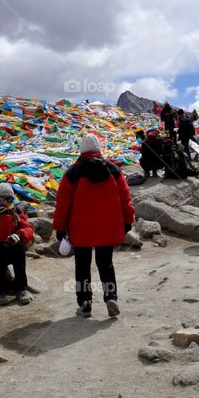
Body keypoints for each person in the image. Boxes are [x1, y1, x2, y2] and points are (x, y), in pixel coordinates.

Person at [53, 134, 135, 318]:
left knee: (82, 266)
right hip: (108, 227)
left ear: (82, 150)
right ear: (98, 150)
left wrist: (59, 227)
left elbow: (63, 204)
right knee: (105, 264)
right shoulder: (114, 170)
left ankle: (85, 303)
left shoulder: (72, 173)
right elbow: (125, 198)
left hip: (80, 229)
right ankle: (110, 296)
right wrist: (128, 220)